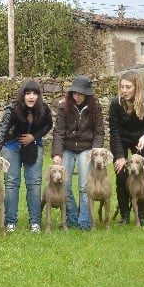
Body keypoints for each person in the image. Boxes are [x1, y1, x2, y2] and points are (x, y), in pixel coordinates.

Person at [0, 79, 53, 232]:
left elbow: (48, 125)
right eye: (27, 93)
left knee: (34, 183)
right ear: (22, 95)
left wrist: (34, 136)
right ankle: (10, 221)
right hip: (11, 147)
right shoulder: (12, 109)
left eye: (34, 93)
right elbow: (2, 130)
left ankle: (35, 222)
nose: (31, 97)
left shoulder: (44, 109)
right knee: (11, 183)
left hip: (34, 146)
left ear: (39, 96)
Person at [52, 75, 105, 231]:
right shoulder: (63, 107)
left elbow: (99, 132)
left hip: (86, 149)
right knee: (63, 184)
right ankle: (72, 217)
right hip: (67, 147)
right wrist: (57, 153)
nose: (77, 97)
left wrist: (96, 152)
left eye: (80, 94)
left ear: (87, 94)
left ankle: (84, 221)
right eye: (74, 93)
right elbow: (59, 131)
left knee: (84, 186)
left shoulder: (96, 108)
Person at [109, 70, 144, 226]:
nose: (124, 90)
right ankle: (125, 215)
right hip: (120, 139)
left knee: (142, 175)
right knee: (121, 175)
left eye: (128, 87)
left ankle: (141, 216)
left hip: (140, 140)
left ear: (137, 87)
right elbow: (114, 131)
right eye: (122, 86)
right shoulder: (116, 103)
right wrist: (120, 157)